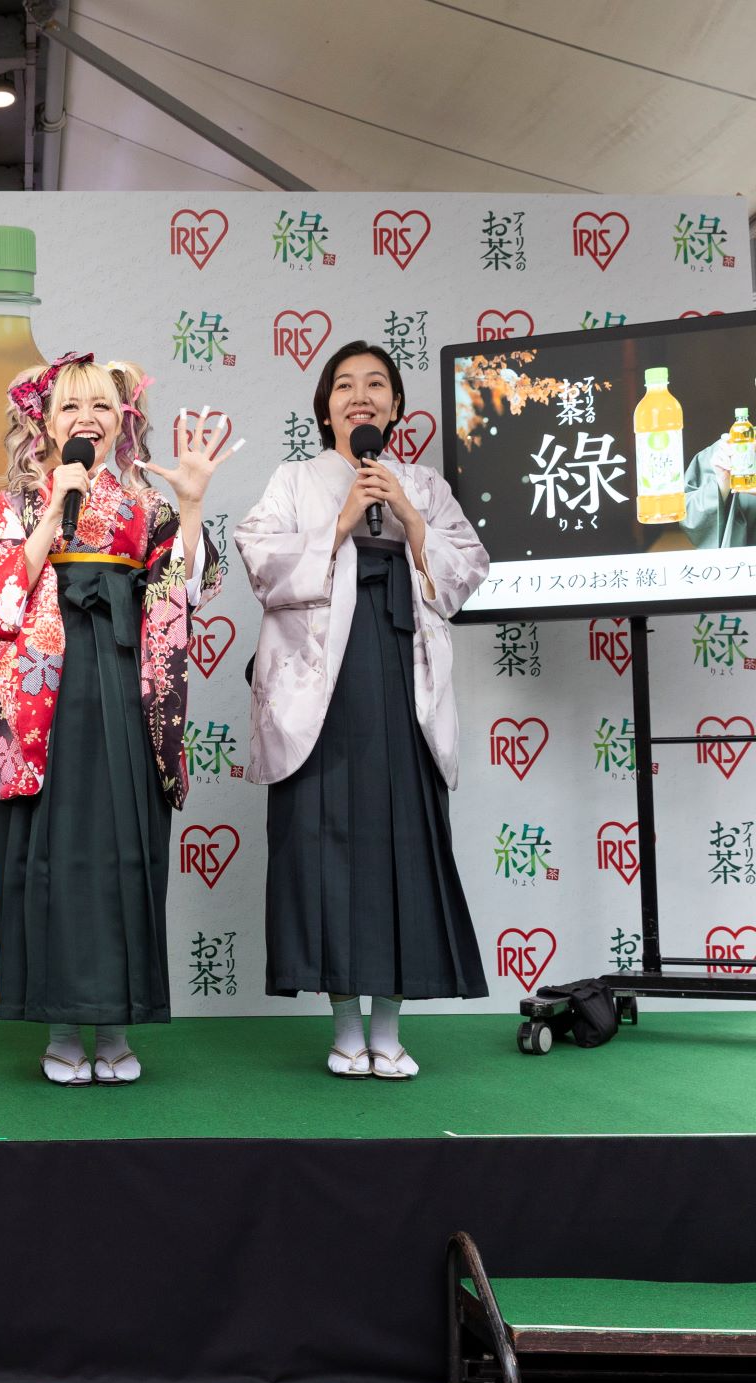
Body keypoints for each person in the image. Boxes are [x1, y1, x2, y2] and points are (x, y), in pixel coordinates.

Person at [0, 354, 230, 1085]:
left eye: (102, 408)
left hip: (121, 680)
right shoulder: (18, 502)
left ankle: (114, 1028)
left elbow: (189, 590)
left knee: (124, 848)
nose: (87, 420)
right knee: (44, 853)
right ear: (45, 424)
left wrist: (193, 507)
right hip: (40, 699)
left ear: (123, 422)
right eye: (71, 408)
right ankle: (59, 1028)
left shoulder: (146, 503)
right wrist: (55, 509)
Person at [235, 340, 489, 1080]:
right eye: (344, 385)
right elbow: (260, 562)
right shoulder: (294, 480)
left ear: (396, 406)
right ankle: (346, 1028)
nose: (361, 396)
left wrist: (408, 515)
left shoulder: (424, 484)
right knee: (325, 851)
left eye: (376, 384)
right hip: (323, 690)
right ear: (325, 409)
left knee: (404, 848)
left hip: (403, 678)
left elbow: (465, 570)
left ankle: (389, 1030)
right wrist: (341, 521)